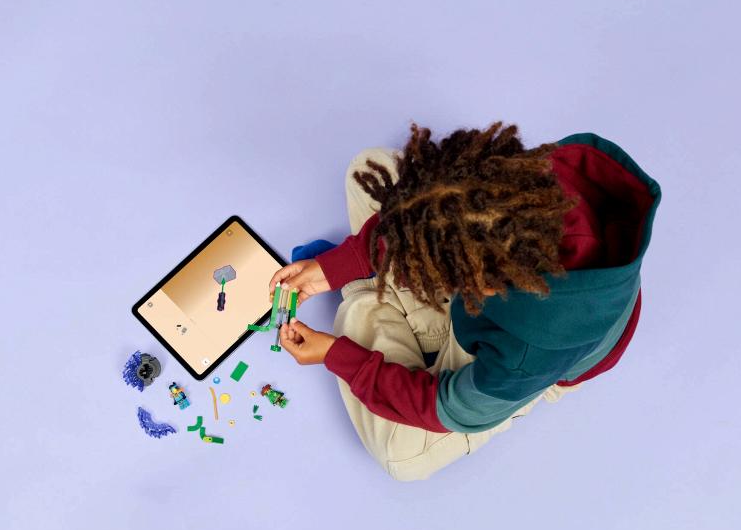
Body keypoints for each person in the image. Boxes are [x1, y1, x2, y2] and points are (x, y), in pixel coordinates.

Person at [270, 122, 661, 481]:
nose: (412, 277)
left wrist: (337, 355)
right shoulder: (530, 182)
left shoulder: (522, 358)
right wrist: (338, 265)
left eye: (426, 276)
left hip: (524, 358)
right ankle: (375, 292)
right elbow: (436, 217)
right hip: (513, 302)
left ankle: (366, 301)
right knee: (369, 168)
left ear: (479, 286)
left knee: (400, 456)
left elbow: (444, 407)